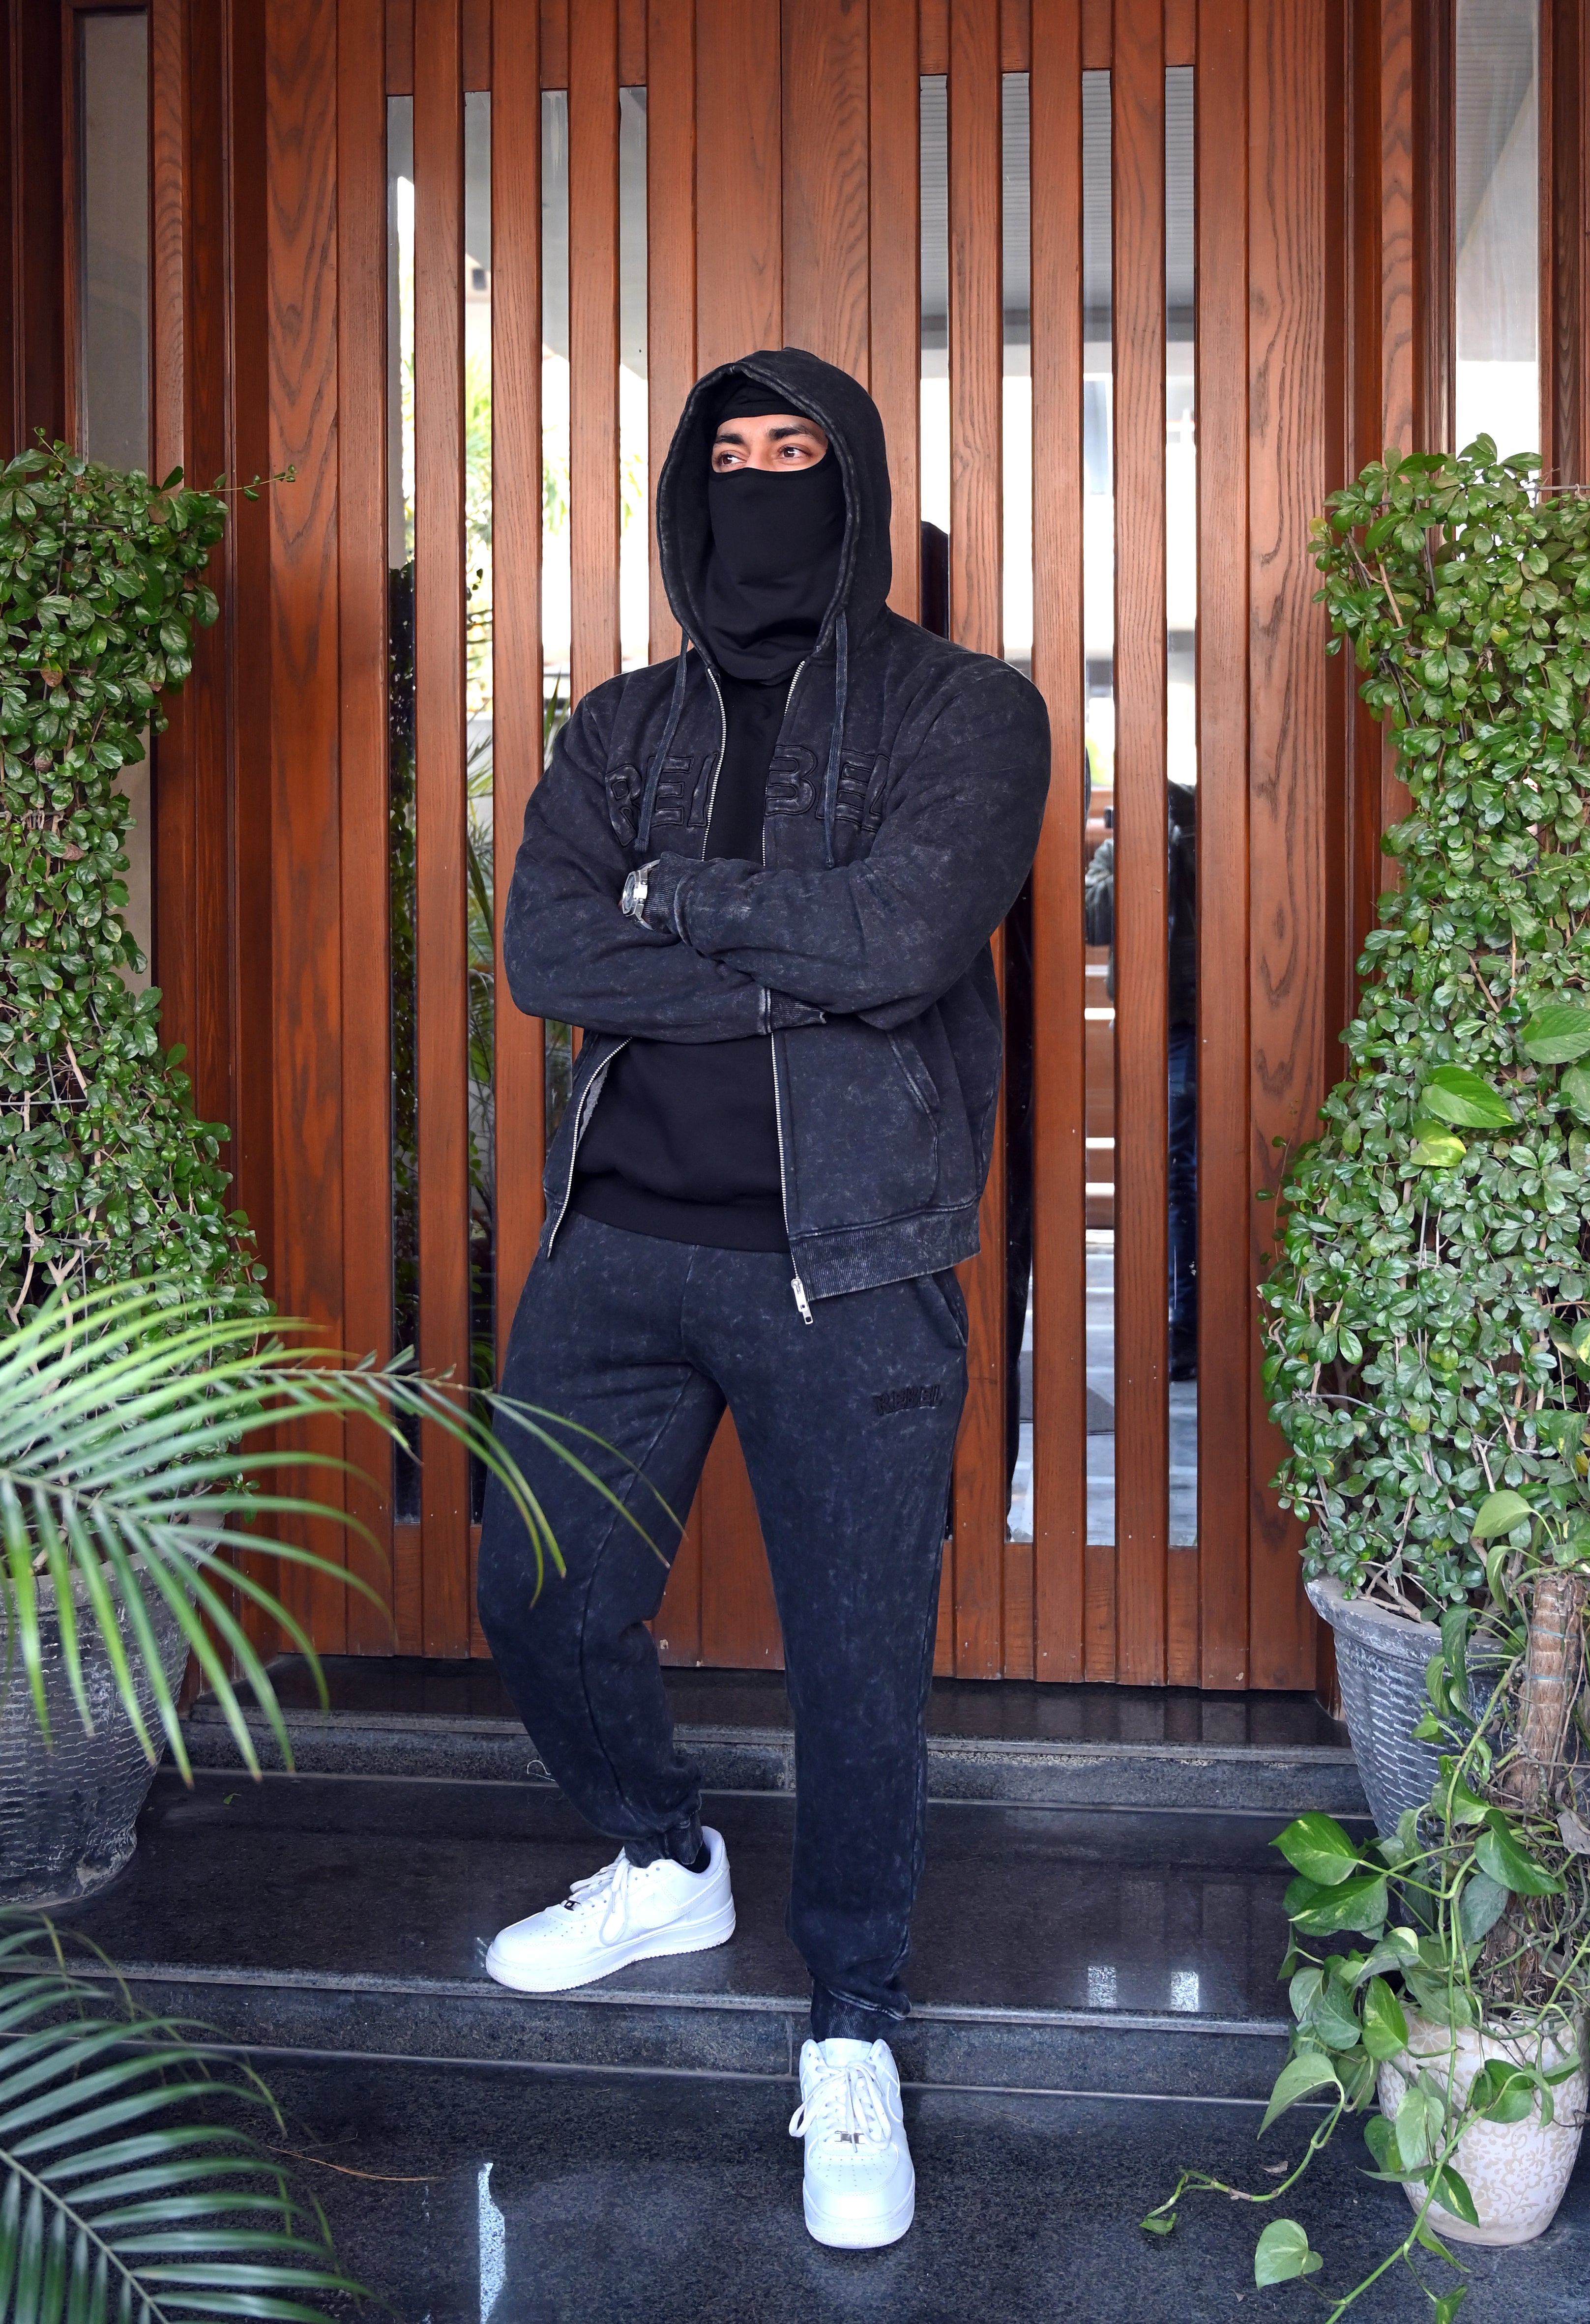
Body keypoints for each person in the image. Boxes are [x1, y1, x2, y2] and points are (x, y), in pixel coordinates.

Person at [475, 348, 1049, 2250]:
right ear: (681, 492)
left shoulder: (967, 709)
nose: (762, 484)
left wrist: (678, 903)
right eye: (729, 459)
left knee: (858, 1670)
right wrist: (755, 935)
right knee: (536, 1584)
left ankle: (855, 2027)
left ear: (859, 484)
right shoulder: (622, 725)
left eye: (797, 455)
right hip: (619, 1245)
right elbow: (545, 949)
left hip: (856, 1262)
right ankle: (665, 1856)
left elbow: (907, 934)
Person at [1081, 780, 1198, 1378]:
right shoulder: (1118, 849)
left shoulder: (1207, 838)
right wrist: (1142, 853)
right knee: (1167, 1170)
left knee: (1183, 1172)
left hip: (1199, 1023)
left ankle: (1190, 1323)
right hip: (1145, 1025)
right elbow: (1091, 921)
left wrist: (1190, 842)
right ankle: (1182, 1322)